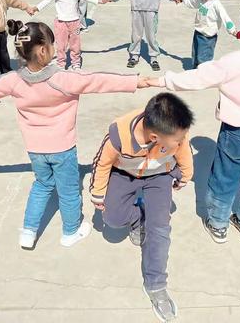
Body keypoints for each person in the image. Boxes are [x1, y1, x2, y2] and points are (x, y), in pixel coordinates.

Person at [0, 20, 145, 248]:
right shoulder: (63, 78)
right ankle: (71, 231)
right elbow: (99, 80)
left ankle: (29, 231)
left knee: (42, 185)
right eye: (52, 43)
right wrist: (136, 81)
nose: (54, 46)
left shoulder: (14, 80)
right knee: (69, 191)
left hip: (35, 149)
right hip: (62, 148)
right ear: (43, 50)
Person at [147, 0, 240, 243]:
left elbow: (198, 78)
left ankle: (218, 223)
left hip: (238, 130)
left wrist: (163, 80)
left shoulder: (239, 60)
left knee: (226, 176)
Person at [90, 93, 194, 322]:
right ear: (155, 137)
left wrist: (185, 175)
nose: (182, 141)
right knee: (112, 220)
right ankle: (138, 218)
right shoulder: (119, 134)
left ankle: (156, 285)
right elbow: (102, 163)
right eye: (177, 139)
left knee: (159, 229)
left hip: (160, 175)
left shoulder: (175, 134)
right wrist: (97, 192)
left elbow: (183, 151)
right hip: (125, 174)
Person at [34, 0, 99, 70]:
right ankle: (61, 64)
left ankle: (76, 63)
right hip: (61, 23)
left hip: (75, 22)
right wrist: (36, 8)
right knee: (61, 46)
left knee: (75, 45)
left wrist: (98, 1)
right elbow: (47, 0)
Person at [179, 0, 237, 69]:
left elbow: (225, 17)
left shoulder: (216, 4)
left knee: (204, 60)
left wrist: (232, 30)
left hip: (208, 38)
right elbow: (192, 1)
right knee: (195, 56)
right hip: (198, 33)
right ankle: (195, 72)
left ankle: (204, 77)